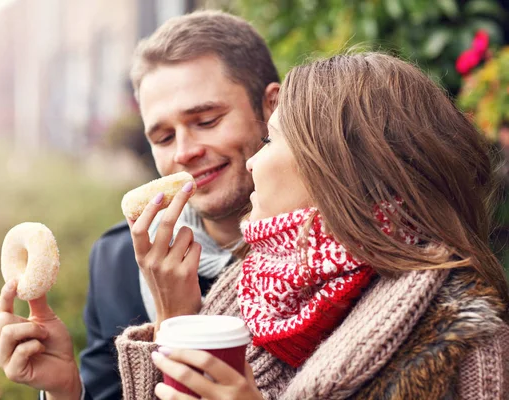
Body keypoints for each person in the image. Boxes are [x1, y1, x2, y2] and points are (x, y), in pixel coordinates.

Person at [115, 52, 509, 399]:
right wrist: (176, 322)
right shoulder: (250, 283)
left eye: (270, 141)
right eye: (164, 136)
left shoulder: (464, 328)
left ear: (336, 168)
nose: (254, 162)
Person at [0, 9, 280, 400]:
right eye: (162, 137)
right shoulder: (117, 260)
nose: (184, 152)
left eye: (207, 120)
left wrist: (178, 324)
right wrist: (65, 390)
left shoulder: (331, 251)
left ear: (271, 108)